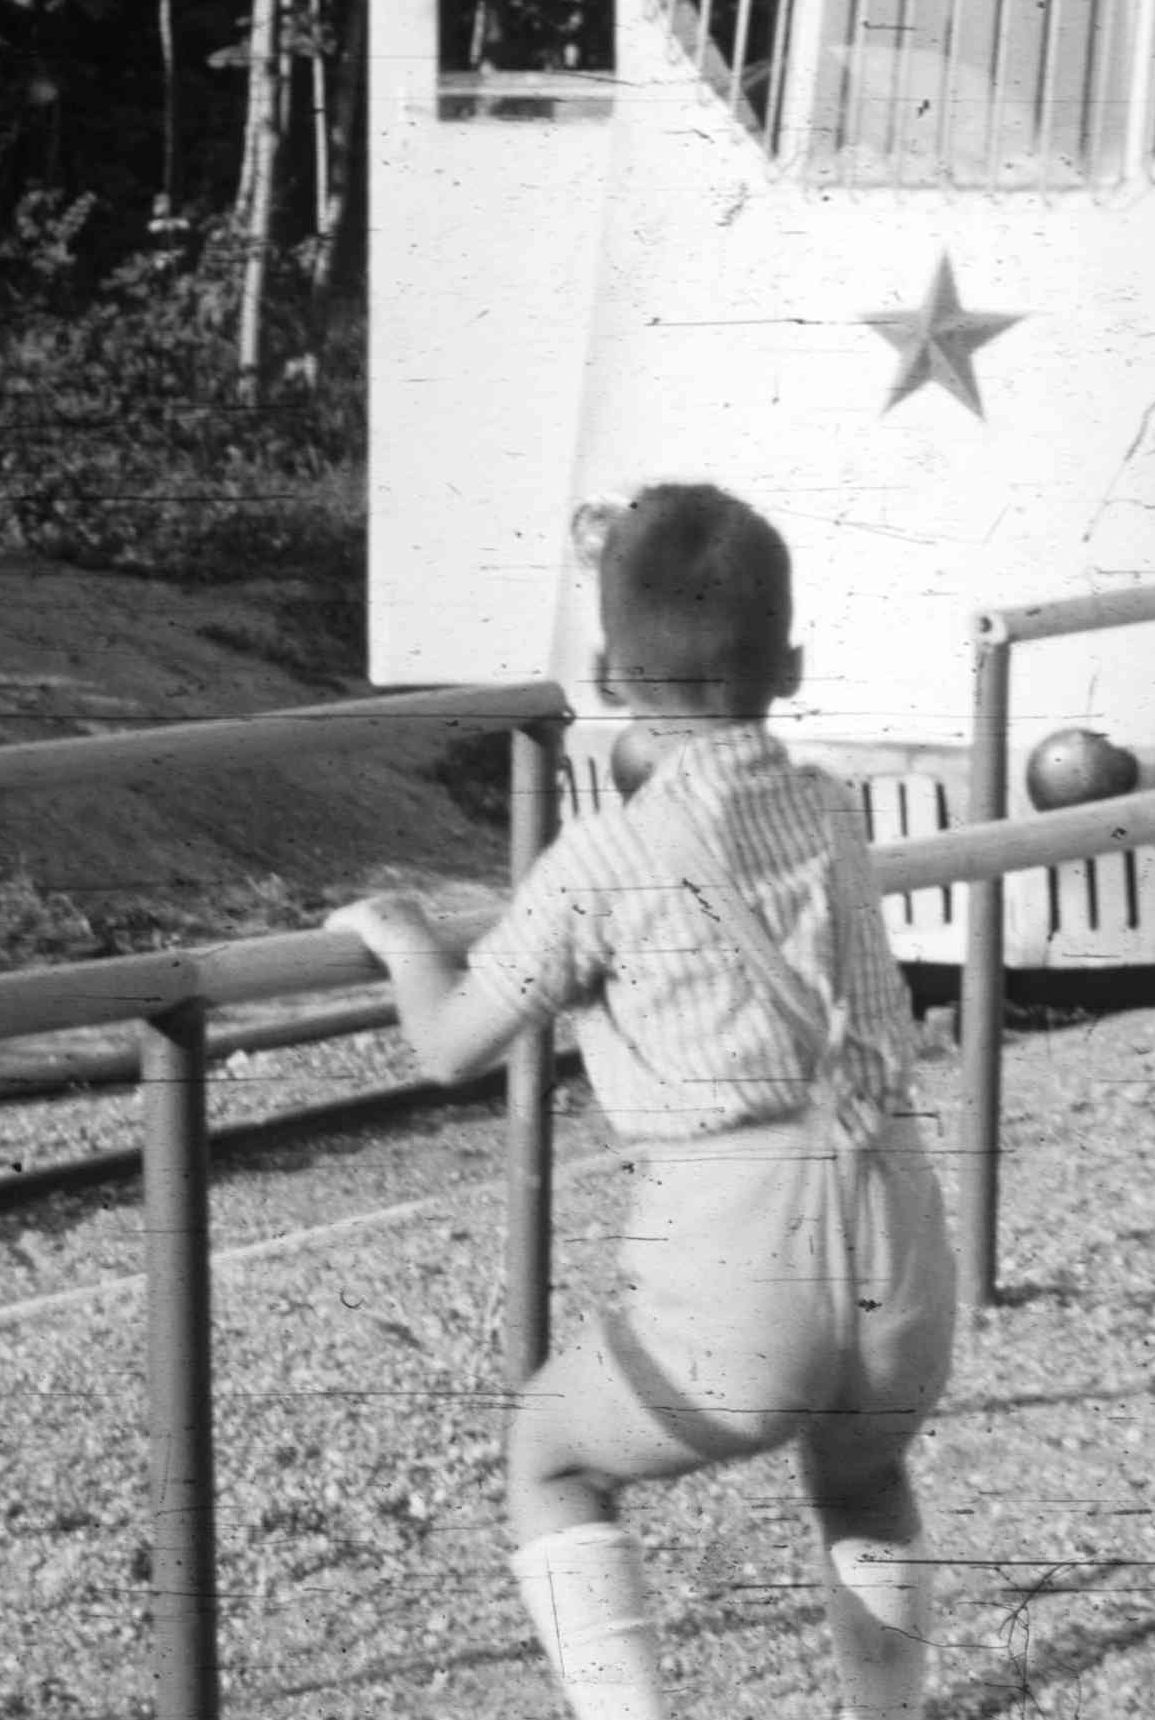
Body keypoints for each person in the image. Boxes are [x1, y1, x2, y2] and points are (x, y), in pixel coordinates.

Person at [326, 484, 955, 1720]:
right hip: (896, 1228)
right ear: (790, 664)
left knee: (550, 1452)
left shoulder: (602, 862)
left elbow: (449, 1046)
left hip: (738, 1258)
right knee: (862, 1477)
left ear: (610, 675)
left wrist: (403, 940)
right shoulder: (830, 811)